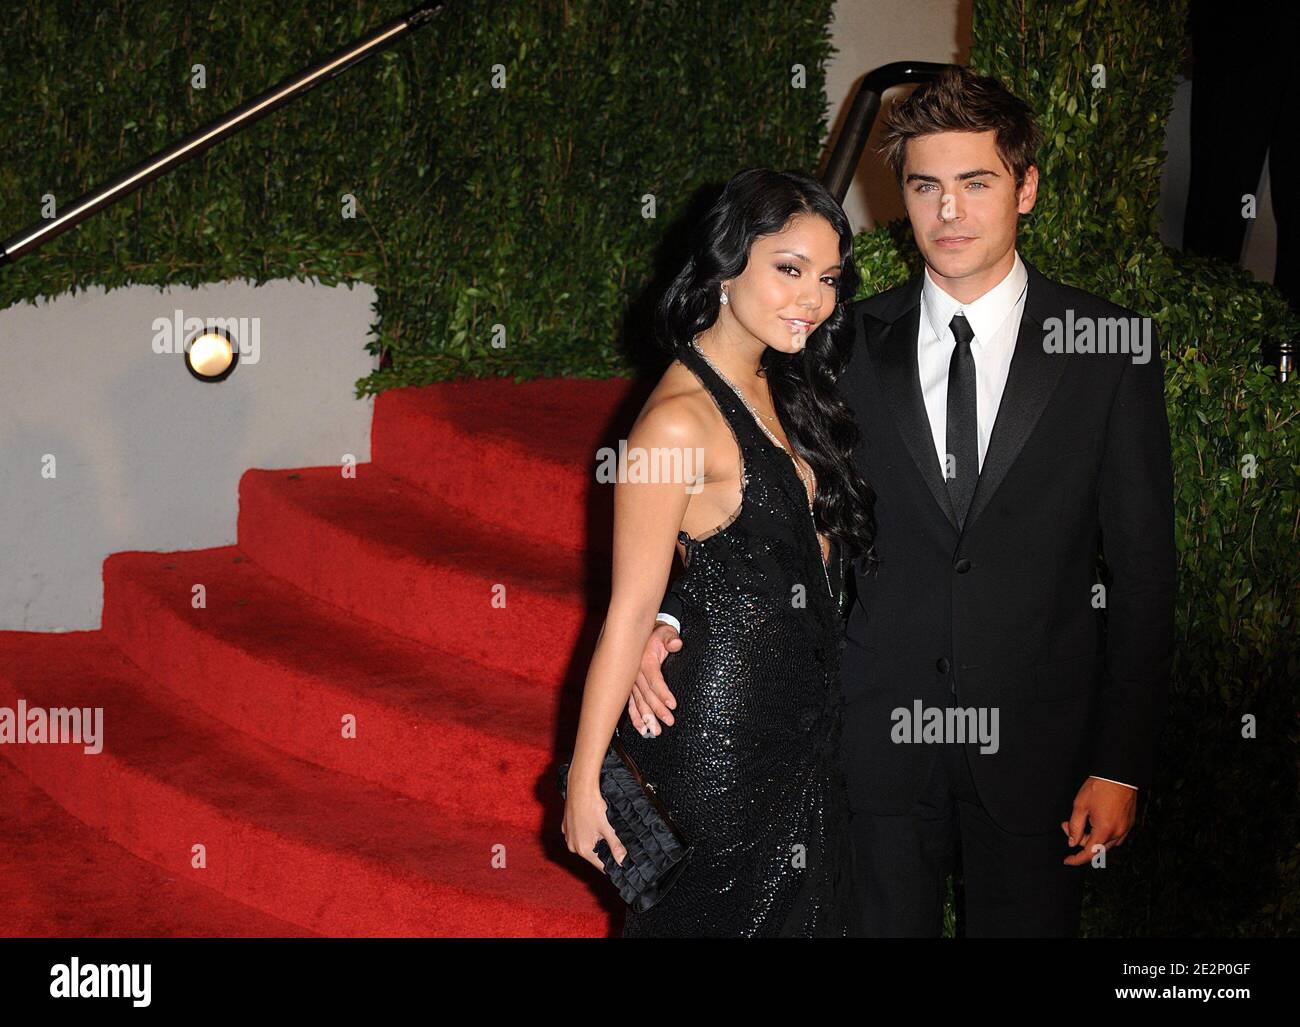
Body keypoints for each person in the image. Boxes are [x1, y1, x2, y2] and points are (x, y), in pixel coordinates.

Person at [634, 66, 1176, 937]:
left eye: (976, 183)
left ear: (1025, 187)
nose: (949, 212)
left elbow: (1146, 577)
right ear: (903, 197)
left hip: (1039, 746)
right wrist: (667, 615)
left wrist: (1122, 762)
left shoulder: (1108, 349)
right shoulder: (839, 343)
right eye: (926, 186)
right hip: (874, 738)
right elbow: (765, 503)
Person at [560, 167, 878, 936]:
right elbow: (627, 608)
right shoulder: (674, 423)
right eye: (789, 269)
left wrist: (685, 610)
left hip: (806, 728)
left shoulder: (783, 381)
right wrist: (582, 777)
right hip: (722, 743)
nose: (813, 298)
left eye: (828, 278)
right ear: (726, 265)